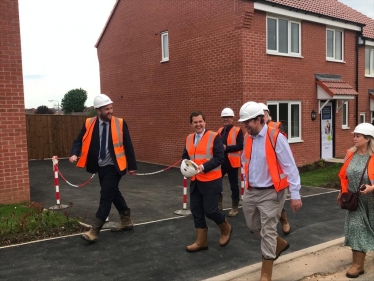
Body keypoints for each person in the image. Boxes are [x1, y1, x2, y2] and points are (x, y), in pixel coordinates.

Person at [239, 101, 302, 281]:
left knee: (267, 231)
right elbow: (246, 159)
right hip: (251, 191)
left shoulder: (276, 137)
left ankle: (266, 274)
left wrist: (295, 194)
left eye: (247, 122)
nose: (245, 125)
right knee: (252, 225)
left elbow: (290, 167)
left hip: (271, 193)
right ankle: (278, 243)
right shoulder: (247, 137)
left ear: (259, 119)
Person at [69, 93, 137, 242]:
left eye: (111, 108)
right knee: (113, 193)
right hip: (100, 167)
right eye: (107, 109)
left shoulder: (119, 123)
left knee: (105, 197)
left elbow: (128, 145)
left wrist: (132, 165)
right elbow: (79, 140)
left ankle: (94, 231)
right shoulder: (89, 123)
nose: (110, 111)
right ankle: (126, 221)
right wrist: (74, 153)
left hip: (115, 166)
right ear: (98, 110)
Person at [182, 111, 233, 252]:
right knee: (196, 211)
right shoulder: (189, 138)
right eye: (195, 122)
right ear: (191, 124)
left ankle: (226, 228)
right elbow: (185, 157)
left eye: (200, 121)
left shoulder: (214, 137)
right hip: (196, 181)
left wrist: (203, 167)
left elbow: (219, 158)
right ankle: (201, 241)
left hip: (211, 180)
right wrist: (185, 167)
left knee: (210, 211)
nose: (198, 124)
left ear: (205, 122)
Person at [337, 123, 374, 279]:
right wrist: (342, 192)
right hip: (355, 200)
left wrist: (372, 187)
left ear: (367, 139)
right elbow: (345, 176)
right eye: (354, 135)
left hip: (371, 201)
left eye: (358, 136)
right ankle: (357, 265)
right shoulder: (350, 154)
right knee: (356, 228)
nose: (354, 138)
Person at [258, 103, 291, 235]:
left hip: (275, 169)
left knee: (276, 201)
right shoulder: (255, 129)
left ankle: (284, 220)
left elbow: (283, 145)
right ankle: (264, 225)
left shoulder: (276, 126)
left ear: (267, 114)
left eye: (264, 114)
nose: (263, 117)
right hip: (261, 169)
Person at [217, 107, 243, 216]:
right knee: (216, 183)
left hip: (232, 163)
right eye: (224, 117)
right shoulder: (220, 131)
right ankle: (218, 204)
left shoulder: (238, 130)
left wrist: (226, 148)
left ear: (232, 118)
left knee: (234, 186)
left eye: (227, 117)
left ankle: (234, 207)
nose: (225, 119)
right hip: (221, 162)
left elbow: (241, 145)